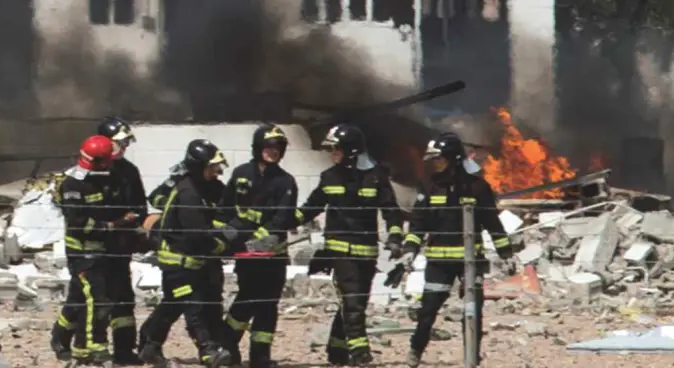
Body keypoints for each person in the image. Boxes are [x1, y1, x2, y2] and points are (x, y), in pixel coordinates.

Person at [401, 131, 515, 367]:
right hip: (438, 262)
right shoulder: (429, 187)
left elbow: (493, 224)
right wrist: (410, 248)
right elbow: (418, 223)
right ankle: (415, 351)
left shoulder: (477, 188)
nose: (436, 164)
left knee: (473, 311)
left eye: (439, 159)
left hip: (471, 262)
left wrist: (506, 254)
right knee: (428, 310)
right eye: (434, 160)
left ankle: (471, 357)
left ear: (453, 159)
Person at [294, 123, 405, 366]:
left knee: (355, 304)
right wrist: (283, 222)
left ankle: (337, 351)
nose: (332, 154)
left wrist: (396, 237)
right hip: (340, 252)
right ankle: (360, 354)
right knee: (353, 303)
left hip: (367, 253)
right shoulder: (329, 177)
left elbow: (391, 211)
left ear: (351, 150)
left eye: (336, 149)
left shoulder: (376, 177)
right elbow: (311, 207)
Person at [137, 139, 239, 367]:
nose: (217, 171)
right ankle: (208, 351)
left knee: (181, 305)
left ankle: (149, 344)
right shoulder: (187, 193)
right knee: (194, 308)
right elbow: (196, 234)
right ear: (198, 167)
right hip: (179, 263)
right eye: (212, 167)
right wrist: (223, 244)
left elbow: (226, 210)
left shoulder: (211, 187)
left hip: (200, 261)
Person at [50, 135, 142, 366]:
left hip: (107, 252)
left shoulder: (106, 178)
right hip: (84, 255)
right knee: (98, 300)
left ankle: (65, 340)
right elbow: (79, 224)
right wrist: (115, 225)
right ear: (98, 161)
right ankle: (95, 348)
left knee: (79, 300)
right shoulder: (73, 185)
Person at [218, 123, 299, 368]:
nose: (273, 151)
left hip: (273, 256)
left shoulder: (286, 181)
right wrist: (228, 234)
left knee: (268, 305)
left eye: (278, 147)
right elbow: (226, 207)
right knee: (246, 299)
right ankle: (227, 347)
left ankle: (260, 356)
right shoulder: (241, 173)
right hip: (246, 254)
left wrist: (261, 238)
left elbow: (282, 217)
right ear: (258, 147)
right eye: (269, 146)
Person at [96, 117, 148, 365]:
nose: (124, 147)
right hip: (94, 249)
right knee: (97, 301)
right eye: (119, 142)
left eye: (126, 143)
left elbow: (140, 205)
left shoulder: (129, 171)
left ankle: (124, 350)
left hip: (120, 246)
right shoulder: (90, 171)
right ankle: (90, 349)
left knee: (123, 300)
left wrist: (135, 224)